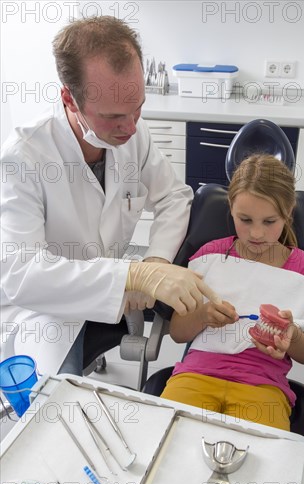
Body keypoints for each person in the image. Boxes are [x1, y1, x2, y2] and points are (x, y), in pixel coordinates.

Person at [0, 16, 218, 376]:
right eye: (114, 116)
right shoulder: (23, 157)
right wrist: (130, 276)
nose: (131, 126)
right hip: (44, 310)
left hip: (109, 291)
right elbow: (21, 274)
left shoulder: (134, 134)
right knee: (57, 403)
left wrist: (156, 264)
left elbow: (174, 198)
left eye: (138, 108)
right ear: (69, 98)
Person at [160, 154, 304, 431]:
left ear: (288, 212)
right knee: (170, 440)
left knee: (260, 463)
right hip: (196, 374)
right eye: (245, 219)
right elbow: (179, 333)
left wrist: (292, 334)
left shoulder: (301, 266)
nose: (256, 233)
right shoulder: (210, 257)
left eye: (269, 222)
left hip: (263, 385)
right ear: (230, 208)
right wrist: (203, 315)